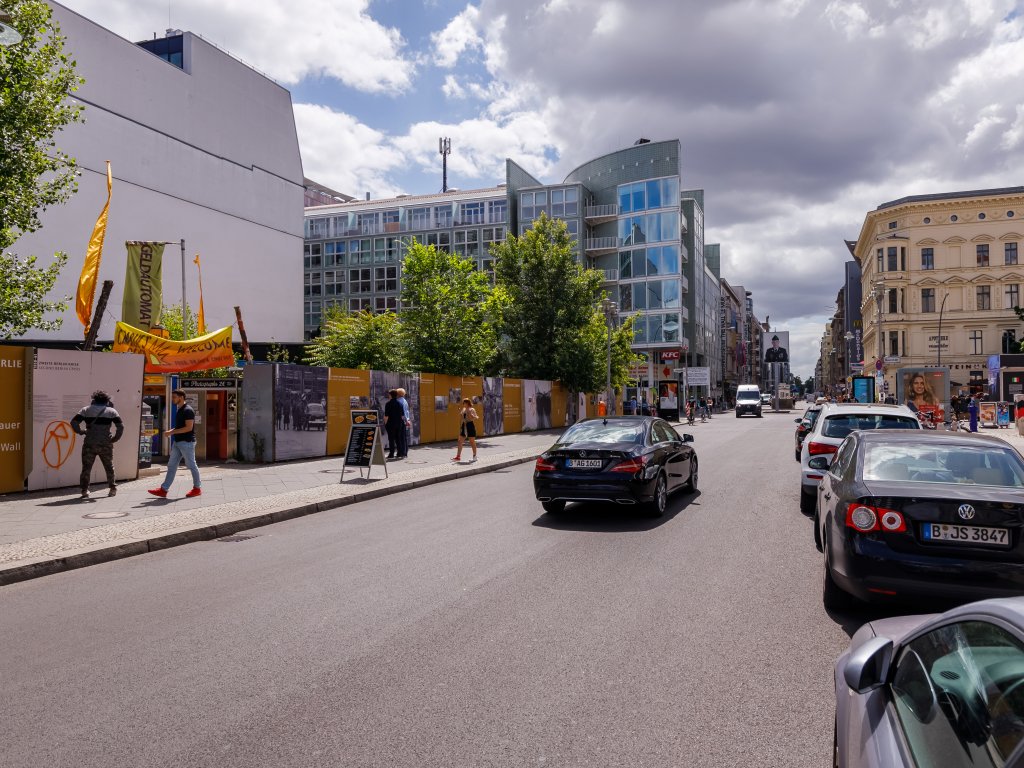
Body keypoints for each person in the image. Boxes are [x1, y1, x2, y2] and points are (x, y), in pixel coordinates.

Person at [70, 390, 124, 499]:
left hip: (90, 443)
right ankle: (112, 488)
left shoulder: (85, 410)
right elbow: (120, 426)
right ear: (106, 401)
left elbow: (74, 422)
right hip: (106, 444)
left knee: (86, 468)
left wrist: (81, 431)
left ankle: (84, 490)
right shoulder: (112, 411)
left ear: (94, 399)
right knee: (109, 466)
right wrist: (114, 439)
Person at [149, 389, 201, 498]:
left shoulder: (188, 410)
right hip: (178, 442)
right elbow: (179, 427)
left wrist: (172, 432)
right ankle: (164, 490)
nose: (172, 399)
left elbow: (188, 428)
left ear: (181, 397)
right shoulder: (180, 409)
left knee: (191, 465)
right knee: (171, 466)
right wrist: (171, 432)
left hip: (187, 442)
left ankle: (197, 488)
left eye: (174, 397)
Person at [453, 397, 478, 462]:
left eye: (464, 402)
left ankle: (475, 456)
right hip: (464, 426)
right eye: (463, 403)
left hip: (470, 425)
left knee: (472, 441)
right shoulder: (464, 409)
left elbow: (476, 417)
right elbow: (462, 416)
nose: (463, 404)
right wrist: (460, 412)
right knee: (460, 441)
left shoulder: (472, 409)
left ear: (467, 403)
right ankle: (458, 457)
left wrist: (472, 416)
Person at [383, 389, 404, 460]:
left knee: (391, 439)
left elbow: (386, 416)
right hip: (399, 424)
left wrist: (385, 423)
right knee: (398, 438)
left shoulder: (388, 404)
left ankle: (391, 454)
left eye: (389, 394)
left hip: (390, 424)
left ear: (391, 395)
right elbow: (402, 416)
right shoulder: (400, 404)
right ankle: (399, 453)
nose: (388, 396)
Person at [395, 387, 411, 458]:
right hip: (404, 421)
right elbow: (407, 411)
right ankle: (405, 452)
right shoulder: (404, 400)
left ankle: (402, 453)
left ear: (398, 394)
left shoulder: (399, 401)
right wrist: (407, 420)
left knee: (400, 438)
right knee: (403, 437)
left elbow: (403, 413)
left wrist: (405, 420)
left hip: (401, 421)